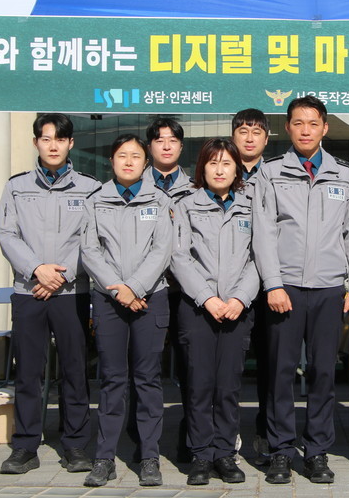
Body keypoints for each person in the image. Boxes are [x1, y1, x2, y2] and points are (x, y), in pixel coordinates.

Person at [252, 95, 349, 484]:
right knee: (280, 372)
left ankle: (317, 451)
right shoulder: (271, 173)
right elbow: (263, 233)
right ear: (287, 128)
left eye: (312, 123)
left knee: (322, 372)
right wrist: (272, 284)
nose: (305, 130)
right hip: (284, 289)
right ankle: (281, 450)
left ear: (324, 128)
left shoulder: (343, 174)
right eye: (298, 123)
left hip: (329, 289)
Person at [0, 113, 99, 475]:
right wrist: (36, 269)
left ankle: (75, 445)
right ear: (36, 142)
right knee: (28, 371)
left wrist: (62, 275)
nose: (53, 145)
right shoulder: (17, 186)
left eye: (60, 139)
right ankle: (25, 445)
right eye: (46, 138)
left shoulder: (90, 188)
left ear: (71, 144)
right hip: (28, 291)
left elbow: (92, 239)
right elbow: (7, 233)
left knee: (74, 370)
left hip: (71, 291)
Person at [80, 134, 174, 487]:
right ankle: (104, 458)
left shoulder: (159, 200)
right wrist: (119, 290)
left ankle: (149, 456)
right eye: (122, 156)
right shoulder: (95, 201)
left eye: (136, 156)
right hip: (110, 300)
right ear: (112, 161)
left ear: (146, 163)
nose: (129, 161)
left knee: (148, 380)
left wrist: (133, 287)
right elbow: (90, 251)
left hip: (151, 298)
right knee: (112, 380)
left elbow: (162, 251)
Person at [171, 139, 260, 485]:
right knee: (199, 385)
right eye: (212, 163)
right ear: (202, 169)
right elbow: (179, 257)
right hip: (198, 308)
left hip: (238, 308)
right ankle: (201, 455)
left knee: (228, 385)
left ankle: (225, 453)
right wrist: (207, 298)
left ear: (237, 168)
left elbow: (259, 256)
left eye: (226, 163)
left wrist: (240, 298)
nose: (220, 169)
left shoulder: (251, 207)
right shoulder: (186, 206)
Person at [142, 117, 195, 462]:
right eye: (159, 140)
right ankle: (142, 442)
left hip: (186, 292)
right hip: (145, 291)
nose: (165, 145)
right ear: (150, 147)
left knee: (193, 368)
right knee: (144, 368)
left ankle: (192, 440)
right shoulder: (129, 185)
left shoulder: (196, 189)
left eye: (172, 140)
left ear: (180, 146)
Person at [230, 108, 272, 463]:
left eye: (256, 131)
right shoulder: (219, 171)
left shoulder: (274, 175)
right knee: (228, 368)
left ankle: (265, 433)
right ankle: (224, 434)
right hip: (229, 291)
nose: (249, 137)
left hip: (269, 287)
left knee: (271, 365)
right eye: (242, 130)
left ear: (267, 138)